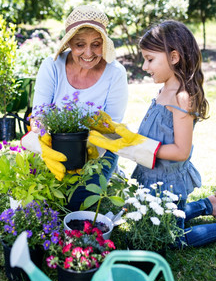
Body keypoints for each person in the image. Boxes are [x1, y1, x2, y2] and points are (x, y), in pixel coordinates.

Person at [89, 20, 216, 247]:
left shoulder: (181, 97)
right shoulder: (164, 90)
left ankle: (207, 212)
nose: (145, 67)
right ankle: (209, 205)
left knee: (170, 238)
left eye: (150, 59)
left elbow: (182, 151)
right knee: (156, 218)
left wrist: (139, 148)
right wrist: (123, 136)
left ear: (174, 57)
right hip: (151, 178)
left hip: (167, 184)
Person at [21, 5, 160, 211]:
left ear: (104, 43)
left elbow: (111, 126)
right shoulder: (51, 66)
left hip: (99, 149)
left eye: (96, 44)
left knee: (76, 205)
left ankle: (110, 173)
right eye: (80, 45)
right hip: (55, 145)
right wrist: (47, 142)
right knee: (44, 200)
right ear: (69, 43)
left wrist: (88, 152)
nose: (89, 53)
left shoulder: (115, 73)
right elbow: (40, 116)